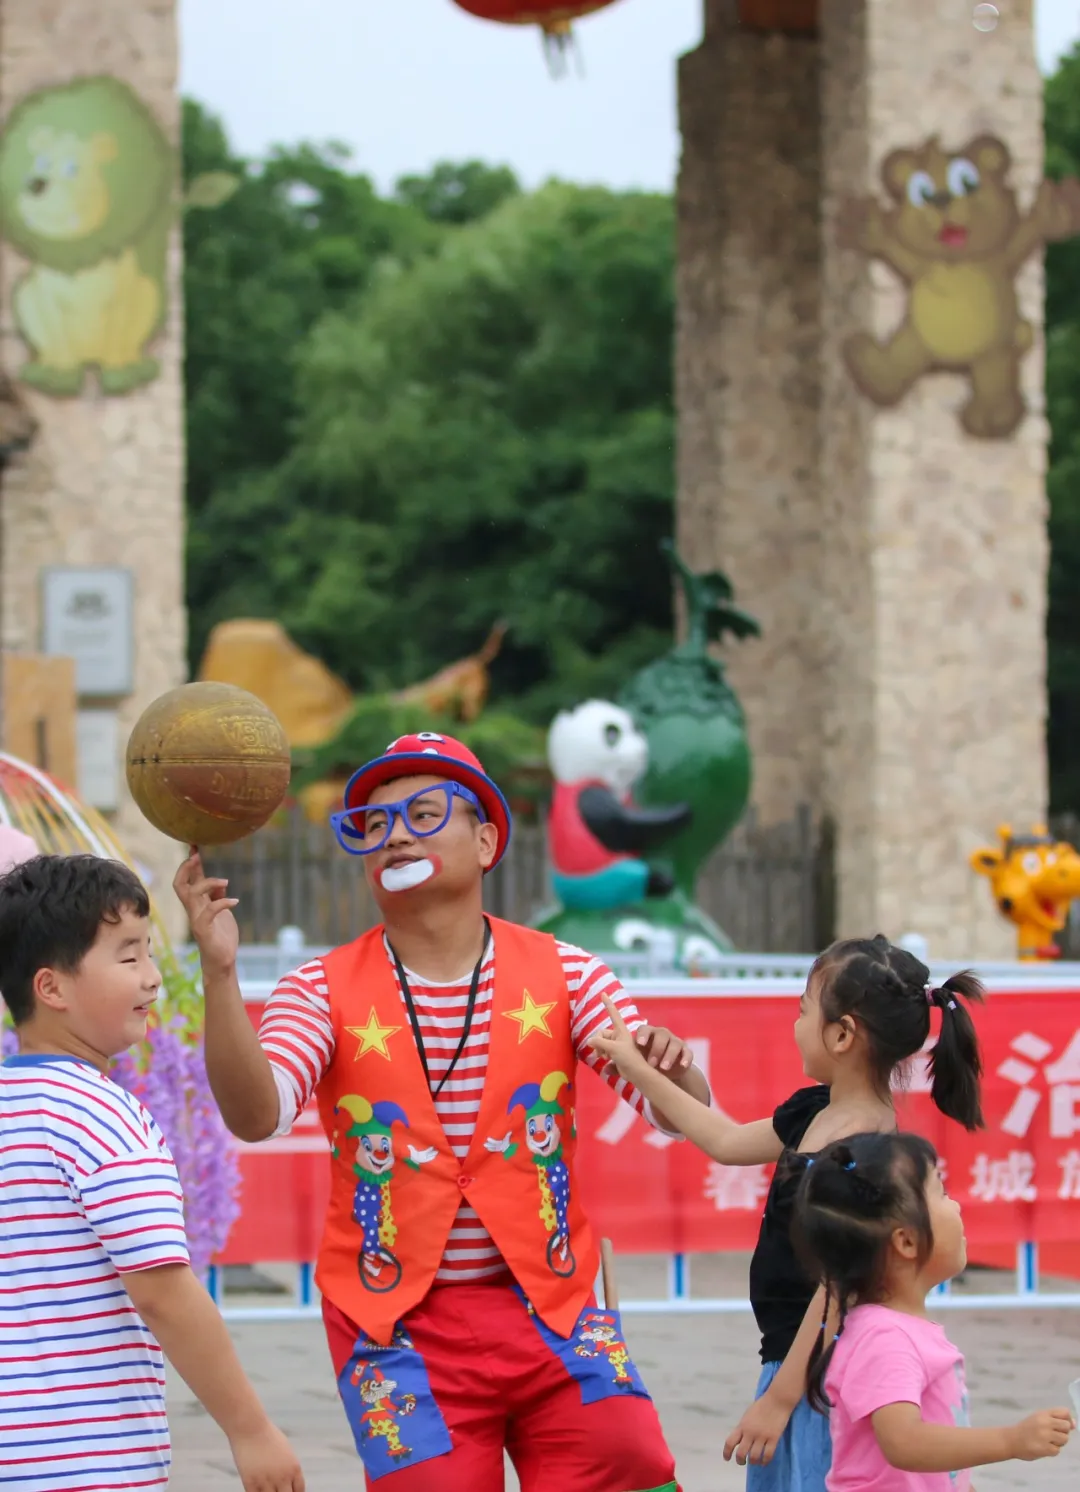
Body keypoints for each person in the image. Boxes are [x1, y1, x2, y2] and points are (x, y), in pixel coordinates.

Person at [174, 732, 711, 1492]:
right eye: (373, 821)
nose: (393, 835)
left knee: (629, 1461)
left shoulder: (568, 973)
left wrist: (673, 1064)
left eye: (423, 814)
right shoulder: (316, 990)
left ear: (486, 838)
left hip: (554, 1307)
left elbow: (672, 1112)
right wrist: (220, 973)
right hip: (393, 1329)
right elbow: (256, 1115)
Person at [589, 934, 987, 1492]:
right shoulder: (813, 1110)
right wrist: (638, 1069)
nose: (796, 1024)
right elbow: (724, 1141)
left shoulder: (868, 1148)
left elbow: (837, 1291)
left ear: (843, 1034)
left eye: (803, 1012)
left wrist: (781, 1398)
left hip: (828, 1377)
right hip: (791, 1361)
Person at [0, 853, 304, 1492]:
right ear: (51, 988)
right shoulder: (103, 1115)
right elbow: (163, 1292)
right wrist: (251, 1430)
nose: (153, 979)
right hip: (85, 1458)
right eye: (129, 955)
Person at [794, 1131, 1075, 1488]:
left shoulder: (898, 1329)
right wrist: (1011, 1440)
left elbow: (936, 1461)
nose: (956, 1205)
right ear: (907, 1241)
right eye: (940, 1193)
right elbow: (904, 1442)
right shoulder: (886, 1338)